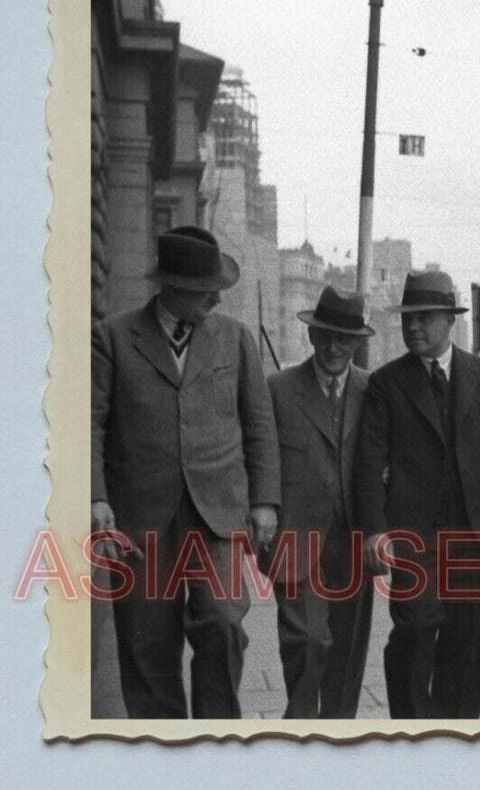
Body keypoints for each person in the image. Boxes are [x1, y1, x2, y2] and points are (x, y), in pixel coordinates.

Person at [91, 225, 280, 718]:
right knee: (148, 651)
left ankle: (215, 742)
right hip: (140, 521)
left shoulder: (235, 341)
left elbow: (259, 425)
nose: (217, 298)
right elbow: (88, 424)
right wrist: (96, 497)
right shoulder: (112, 338)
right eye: (206, 289)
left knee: (221, 625)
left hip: (216, 517)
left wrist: (264, 501)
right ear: (171, 286)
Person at [354, 269, 480, 718]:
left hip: (476, 536)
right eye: (407, 319)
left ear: (449, 320)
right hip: (415, 540)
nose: (413, 327)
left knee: (468, 644)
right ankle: (414, 734)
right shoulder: (386, 383)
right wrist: (375, 531)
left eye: (425, 318)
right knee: (415, 631)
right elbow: (367, 462)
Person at [265, 285, 374, 719]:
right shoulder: (277, 389)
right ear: (311, 336)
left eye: (344, 339)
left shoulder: (374, 390)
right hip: (295, 542)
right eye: (325, 336)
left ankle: (338, 738)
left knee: (347, 655)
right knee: (309, 641)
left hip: (354, 543)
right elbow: (261, 460)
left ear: (356, 343)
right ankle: (301, 727)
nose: (333, 347)